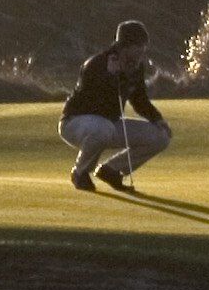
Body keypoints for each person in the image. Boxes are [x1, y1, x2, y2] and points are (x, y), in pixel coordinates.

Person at [61, 20, 170, 193]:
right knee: (102, 128)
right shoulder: (96, 64)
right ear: (124, 46)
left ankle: (112, 170)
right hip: (75, 123)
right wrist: (111, 77)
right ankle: (80, 172)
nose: (142, 51)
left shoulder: (135, 68)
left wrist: (157, 119)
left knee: (160, 137)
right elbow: (94, 100)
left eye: (143, 46)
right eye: (138, 46)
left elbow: (139, 101)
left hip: (109, 124)